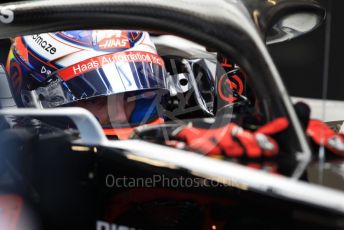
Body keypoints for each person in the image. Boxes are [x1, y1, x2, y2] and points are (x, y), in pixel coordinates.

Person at [5, 29, 344, 158]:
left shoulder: (192, 145)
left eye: (136, 97)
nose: (121, 113)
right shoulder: (19, 171)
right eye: (96, 101)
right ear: (38, 101)